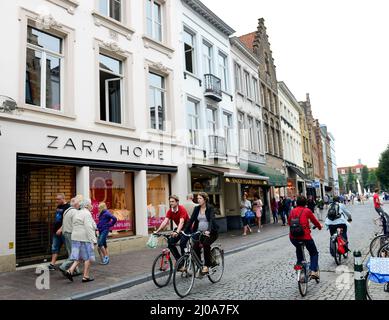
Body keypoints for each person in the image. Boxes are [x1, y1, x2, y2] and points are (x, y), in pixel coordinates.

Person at [288, 196, 323, 279]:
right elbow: (315, 221)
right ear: (306, 203)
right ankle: (313, 271)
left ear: (296, 203)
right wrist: (319, 227)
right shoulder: (307, 210)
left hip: (293, 237)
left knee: (298, 247)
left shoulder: (292, 211)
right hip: (305, 236)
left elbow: (289, 222)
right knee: (314, 253)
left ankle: (299, 263)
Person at [184, 192, 219, 274]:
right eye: (197, 198)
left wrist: (209, 230)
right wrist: (184, 231)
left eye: (200, 198)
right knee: (195, 247)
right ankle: (200, 265)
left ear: (205, 199)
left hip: (211, 233)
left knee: (206, 244)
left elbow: (211, 220)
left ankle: (206, 266)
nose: (198, 200)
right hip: (199, 232)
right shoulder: (196, 208)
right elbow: (191, 220)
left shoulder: (210, 208)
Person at [64, 199, 97, 283]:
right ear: (86, 205)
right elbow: (88, 227)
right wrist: (93, 240)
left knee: (79, 257)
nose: (91, 206)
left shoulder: (77, 212)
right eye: (90, 204)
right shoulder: (87, 214)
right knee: (88, 257)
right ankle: (85, 277)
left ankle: (70, 271)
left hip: (75, 237)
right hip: (84, 238)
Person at [154, 195, 190, 264]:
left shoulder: (182, 209)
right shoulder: (170, 211)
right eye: (170, 202)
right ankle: (180, 261)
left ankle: (185, 261)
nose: (171, 203)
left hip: (187, 228)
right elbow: (165, 221)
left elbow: (181, 222)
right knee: (170, 243)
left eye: (173, 201)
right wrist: (157, 231)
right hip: (179, 229)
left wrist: (177, 232)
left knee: (182, 243)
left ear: (177, 202)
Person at [59, 195, 83, 275]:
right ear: (76, 204)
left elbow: (64, 222)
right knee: (75, 253)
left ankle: (76, 270)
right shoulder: (75, 212)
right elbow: (77, 224)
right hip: (71, 234)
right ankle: (63, 266)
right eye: (79, 203)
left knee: (71, 252)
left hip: (65, 233)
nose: (79, 205)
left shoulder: (67, 210)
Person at [48, 194, 71, 271]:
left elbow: (67, 220)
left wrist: (61, 229)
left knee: (69, 248)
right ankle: (52, 264)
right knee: (54, 247)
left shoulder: (68, 207)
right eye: (56, 199)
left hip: (64, 232)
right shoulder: (58, 207)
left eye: (58, 199)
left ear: (63, 199)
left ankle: (72, 266)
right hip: (55, 231)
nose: (56, 201)